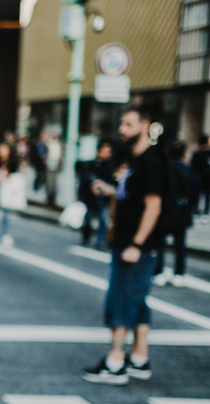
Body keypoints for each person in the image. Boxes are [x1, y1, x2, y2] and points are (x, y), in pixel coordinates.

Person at [83, 107, 165, 385]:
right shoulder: (132, 159)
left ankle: (115, 362)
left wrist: (136, 243)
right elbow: (129, 196)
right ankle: (140, 360)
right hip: (129, 242)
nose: (121, 129)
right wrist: (109, 191)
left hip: (137, 246)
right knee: (137, 302)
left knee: (120, 302)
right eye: (121, 123)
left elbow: (154, 206)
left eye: (128, 124)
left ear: (144, 126)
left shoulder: (151, 161)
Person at [153, 140, 198, 287]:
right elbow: (195, 195)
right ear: (184, 154)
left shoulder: (162, 169)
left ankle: (158, 272)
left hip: (164, 213)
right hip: (182, 214)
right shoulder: (189, 172)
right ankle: (179, 273)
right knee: (180, 245)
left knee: (160, 244)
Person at [81, 141, 116, 249]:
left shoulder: (110, 166)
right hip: (91, 198)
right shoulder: (91, 164)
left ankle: (100, 242)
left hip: (103, 198)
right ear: (98, 151)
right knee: (88, 219)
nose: (107, 154)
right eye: (104, 151)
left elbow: (113, 181)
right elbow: (84, 179)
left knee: (103, 220)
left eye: (109, 152)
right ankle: (85, 239)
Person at [0, 143, 26, 248]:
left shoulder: (12, 161)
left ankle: (5, 234)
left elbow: (16, 173)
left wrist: (6, 176)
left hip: (6, 190)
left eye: (4, 149)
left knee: (6, 214)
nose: (2, 151)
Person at [189, 133, 210, 223]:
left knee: (198, 194)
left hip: (198, 177)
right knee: (206, 196)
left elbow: (192, 166)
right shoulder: (206, 153)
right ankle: (204, 212)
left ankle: (196, 210)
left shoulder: (197, 153)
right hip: (207, 178)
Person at [45, 133, 62, 205]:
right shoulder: (49, 144)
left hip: (55, 166)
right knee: (49, 182)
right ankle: (49, 197)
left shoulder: (58, 145)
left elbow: (59, 156)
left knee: (53, 183)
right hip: (50, 166)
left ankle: (52, 197)